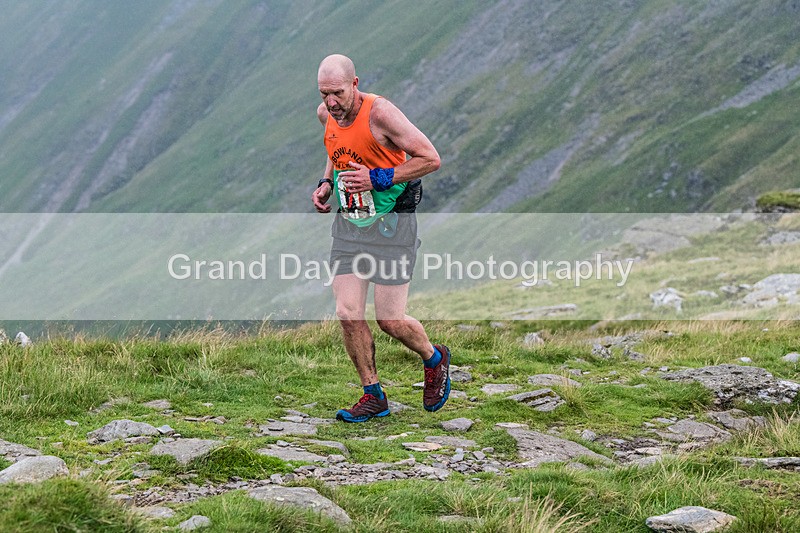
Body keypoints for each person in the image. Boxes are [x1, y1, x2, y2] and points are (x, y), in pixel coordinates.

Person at [311, 53, 451, 423]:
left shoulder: (381, 114)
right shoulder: (327, 114)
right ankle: (373, 395)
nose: (330, 102)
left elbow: (430, 159)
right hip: (350, 222)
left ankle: (434, 358)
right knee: (348, 313)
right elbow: (333, 146)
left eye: (337, 93)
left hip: (393, 223)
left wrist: (376, 178)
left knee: (391, 320)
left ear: (355, 84)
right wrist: (327, 182)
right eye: (324, 93)